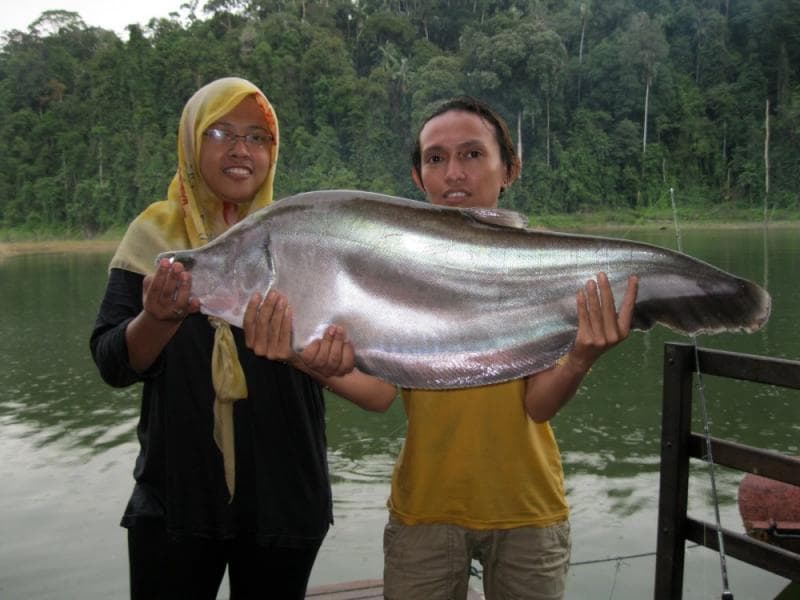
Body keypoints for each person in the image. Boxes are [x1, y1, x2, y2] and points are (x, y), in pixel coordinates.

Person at [259, 96, 638, 600]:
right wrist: (300, 356)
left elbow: (537, 404)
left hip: (528, 511)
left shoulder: (549, 268)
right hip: (425, 512)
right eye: (436, 159)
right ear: (419, 179)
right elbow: (379, 395)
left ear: (510, 168)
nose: (454, 173)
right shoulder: (394, 264)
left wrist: (581, 357)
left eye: (472, 154)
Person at [90, 77, 352, 600]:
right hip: (177, 497)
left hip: (286, 494)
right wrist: (158, 318)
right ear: (191, 142)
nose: (240, 149)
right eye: (220, 133)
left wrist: (328, 360)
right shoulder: (155, 239)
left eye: (258, 137)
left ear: (272, 152)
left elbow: (354, 357)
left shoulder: (303, 238)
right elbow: (113, 362)